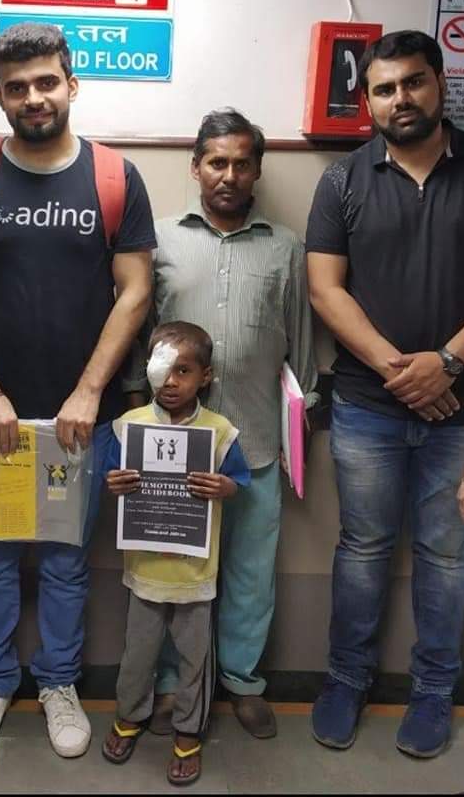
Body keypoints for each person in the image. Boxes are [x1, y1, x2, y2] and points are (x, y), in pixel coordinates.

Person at [0, 22, 156, 761]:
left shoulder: (115, 177)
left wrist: (90, 392)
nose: (33, 97)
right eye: (16, 86)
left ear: (71, 84)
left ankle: (57, 681)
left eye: (45, 82)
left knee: (63, 559)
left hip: (78, 419)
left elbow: (134, 291)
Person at [306, 30, 464, 758]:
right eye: (383, 88)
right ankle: (345, 677)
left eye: (412, 83)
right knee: (362, 548)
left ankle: (434, 691)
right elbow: (323, 289)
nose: (398, 99)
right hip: (367, 408)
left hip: (460, 410)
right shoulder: (341, 180)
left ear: (439, 84)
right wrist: (405, 373)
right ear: (365, 100)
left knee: (445, 554)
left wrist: (447, 363)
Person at [134, 108, 318, 739]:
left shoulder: (286, 247)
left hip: (257, 443)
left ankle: (241, 681)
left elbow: (302, 345)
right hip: (171, 446)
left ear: (258, 171)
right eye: (217, 161)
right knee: (169, 568)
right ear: (195, 166)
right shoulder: (159, 240)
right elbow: (139, 339)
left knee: (248, 572)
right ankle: (169, 687)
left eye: (242, 163)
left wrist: (305, 422)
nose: (229, 174)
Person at [103, 321, 251, 785]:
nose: (170, 381)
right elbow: (111, 475)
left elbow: (240, 481)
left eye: (183, 370)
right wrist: (116, 481)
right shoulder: (129, 428)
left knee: (193, 661)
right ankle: (129, 717)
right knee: (137, 656)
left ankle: (189, 734)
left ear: (205, 377)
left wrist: (225, 486)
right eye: (162, 369)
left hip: (195, 574)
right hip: (145, 571)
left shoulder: (220, 432)